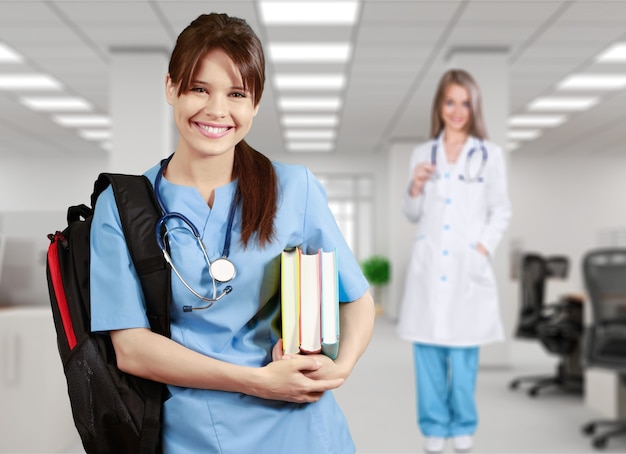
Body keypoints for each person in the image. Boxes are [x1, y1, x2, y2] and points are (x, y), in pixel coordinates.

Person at [90, 12, 375, 454]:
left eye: (236, 93)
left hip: (303, 432)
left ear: (255, 103)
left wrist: (340, 369)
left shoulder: (293, 188)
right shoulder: (124, 206)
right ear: (171, 88)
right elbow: (132, 349)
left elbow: (357, 299)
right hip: (194, 435)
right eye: (199, 88)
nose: (217, 110)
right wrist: (259, 382)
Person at [396, 69, 512, 454]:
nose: (457, 110)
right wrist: (415, 186)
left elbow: (501, 211)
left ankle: (462, 423)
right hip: (430, 267)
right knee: (427, 355)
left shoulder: (489, 154)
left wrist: (481, 250)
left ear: (473, 107)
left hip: (468, 268)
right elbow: (412, 212)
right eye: (450, 102)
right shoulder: (422, 153)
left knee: (463, 358)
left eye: (465, 103)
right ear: (439, 106)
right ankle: (433, 425)